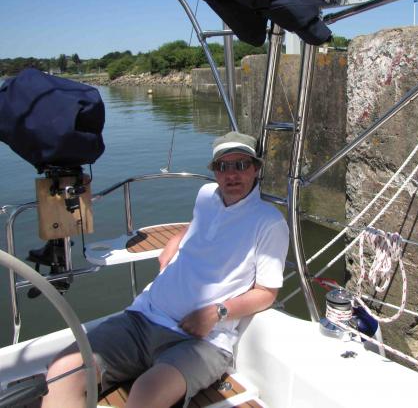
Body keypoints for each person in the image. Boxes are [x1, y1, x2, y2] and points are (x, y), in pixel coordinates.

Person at [43, 131, 289, 408]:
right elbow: (199, 223)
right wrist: (175, 241)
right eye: (223, 166)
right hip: (142, 317)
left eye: (241, 165)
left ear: (256, 169)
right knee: (62, 371)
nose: (231, 174)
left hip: (201, 339)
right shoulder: (206, 195)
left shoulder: (269, 222)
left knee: (146, 393)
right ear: (214, 171)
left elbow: (267, 293)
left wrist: (216, 312)